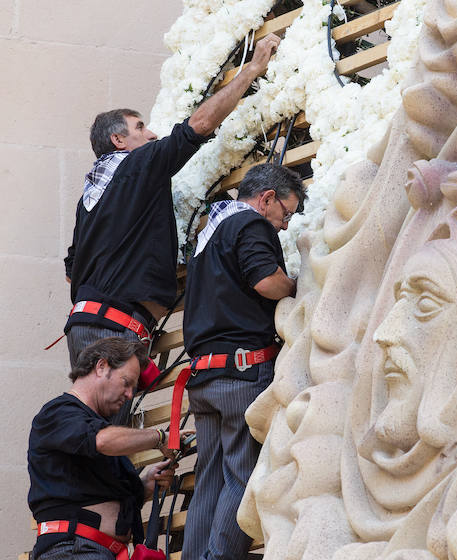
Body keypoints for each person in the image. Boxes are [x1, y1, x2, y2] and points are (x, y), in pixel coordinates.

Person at [62, 34, 282, 368]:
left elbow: (70, 271)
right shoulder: (138, 165)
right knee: (104, 421)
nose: (150, 134)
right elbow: (200, 125)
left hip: (88, 324)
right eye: (140, 128)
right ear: (118, 139)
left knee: (96, 419)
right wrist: (253, 68)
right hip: (113, 329)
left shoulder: (89, 198)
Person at [177, 163, 305, 560]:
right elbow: (266, 281)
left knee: (211, 479)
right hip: (241, 373)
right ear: (266, 198)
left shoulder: (210, 232)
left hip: (204, 376)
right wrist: (297, 286)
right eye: (286, 212)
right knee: (244, 478)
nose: (284, 225)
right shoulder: (251, 225)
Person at [28, 337, 181, 560]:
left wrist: (145, 484)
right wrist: (159, 438)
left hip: (92, 550)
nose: (130, 394)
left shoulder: (95, 429)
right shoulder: (58, 412)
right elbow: (101, 441)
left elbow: (94, 493)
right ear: (101, 367)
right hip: (74, 550)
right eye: (127, 382)